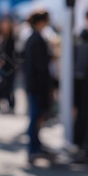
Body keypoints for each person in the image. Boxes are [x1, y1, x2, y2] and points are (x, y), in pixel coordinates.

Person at [23, 10, 56, 163]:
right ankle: (33, 149)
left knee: (35, 117)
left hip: (33, 84)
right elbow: (41, 66)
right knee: (35, 117)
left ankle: (35, 148)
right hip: (37, 85)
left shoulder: (33, 38)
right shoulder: (37, 40)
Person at [0, 15, 17, 112]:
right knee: (0, 85)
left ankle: (11, 104)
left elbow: (10, 53)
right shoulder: (0, 37)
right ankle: (2, 101)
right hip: (2, 66)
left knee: (10, 86)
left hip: (9, 66)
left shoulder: (12, 38)